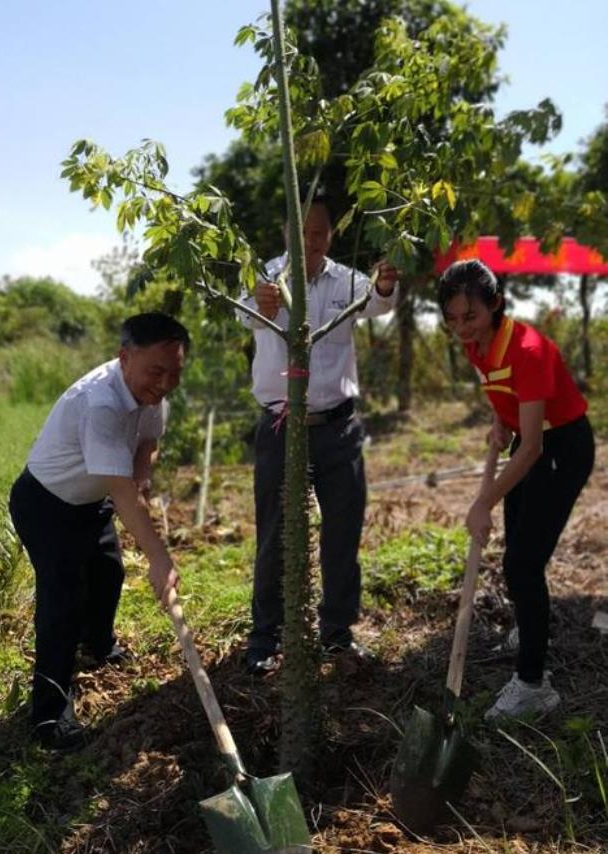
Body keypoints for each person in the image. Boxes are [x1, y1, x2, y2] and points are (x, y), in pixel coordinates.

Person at [9, 312, 188, 750]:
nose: (164, 383)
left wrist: (142, 474)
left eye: (174, 373)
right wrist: (160, 558)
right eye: (156, 372)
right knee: (62, 600)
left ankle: (99, 645)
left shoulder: (151, 393)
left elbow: (147, 443)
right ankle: (49, 717)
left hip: (91, 501)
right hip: (47, 505)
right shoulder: (101, 403)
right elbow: (123, 497)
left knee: (108, 574)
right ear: (124, 358)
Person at [237, 196, 398, 674]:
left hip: (339, 427)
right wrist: (259, 301)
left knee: (343, 531)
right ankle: (265, 637)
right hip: (282, 427)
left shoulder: (346, 281)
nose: (310, 242)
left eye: (320, 233)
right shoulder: (264, 279)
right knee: (275, 535)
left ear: (330, 235)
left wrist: (386, 286)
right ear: (287, 233)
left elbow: (379, 305)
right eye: (302, 232)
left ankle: (337, 635)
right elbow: (243, 312)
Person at [437, 259, 594, 721]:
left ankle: (533, 685)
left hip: (561, 449)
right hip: (528, 442)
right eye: (452, 318)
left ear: (496, 306)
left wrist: (483, 500)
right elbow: (505, 396)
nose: (461, 328)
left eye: (471, 316)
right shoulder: (477, 345)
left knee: (523, 563)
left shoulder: (526, 348)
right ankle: (532, 626)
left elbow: (534, 446)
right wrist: (499, 420)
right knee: (518, 555)